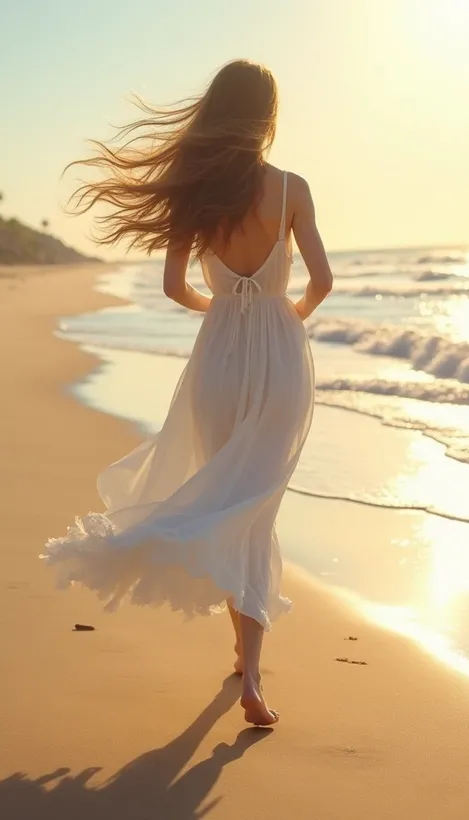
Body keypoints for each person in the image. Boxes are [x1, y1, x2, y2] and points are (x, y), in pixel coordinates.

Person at [42, 59, 333, 726]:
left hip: (220, 360)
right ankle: (252, 675)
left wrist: (225, 308)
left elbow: (176, 287)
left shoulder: (196, 193)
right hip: (282, 363)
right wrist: (286, 318)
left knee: (228, 498)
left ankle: (239, 649)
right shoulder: (292, 189)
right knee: (255, 508)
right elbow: (321, 281)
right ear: (267, 116)